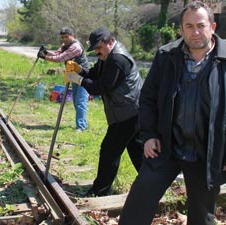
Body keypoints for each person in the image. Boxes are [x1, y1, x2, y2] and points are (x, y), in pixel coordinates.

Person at [118, 2, 226, 225]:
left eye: (201, 25)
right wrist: (148, 135)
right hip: (167, 147)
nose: (195, 31)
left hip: (206, 153)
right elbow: (147, 98)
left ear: (212, 26)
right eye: (189, 26)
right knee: (137, 205)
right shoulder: (166, 56)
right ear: (181, 29)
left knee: (201, 217)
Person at [65, 27, 143, 196]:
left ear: (110, 42)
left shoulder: (117, 60)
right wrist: (79, 70)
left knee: (109, 151)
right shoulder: (107, 55)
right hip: (131, 111)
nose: (97, 53)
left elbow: (100, 87)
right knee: (138, 151)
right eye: (95, 50)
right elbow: (95, 74)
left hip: (128, 112)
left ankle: (99, 191)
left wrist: (77, 80)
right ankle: (154, 183)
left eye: (99, 48)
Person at [37, 27, 90, 132]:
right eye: (63, 37)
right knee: (76, 100)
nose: (64, 39)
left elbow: (60, 59)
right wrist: (46, 52)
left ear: (72, 36)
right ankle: (83, 124)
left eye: (66, 36)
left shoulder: (76, 47)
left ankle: (82, 127)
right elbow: (57, 54)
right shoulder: (65, 45)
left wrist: (45, 57)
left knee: (81, 101)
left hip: (83, 75)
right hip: (74, 74)